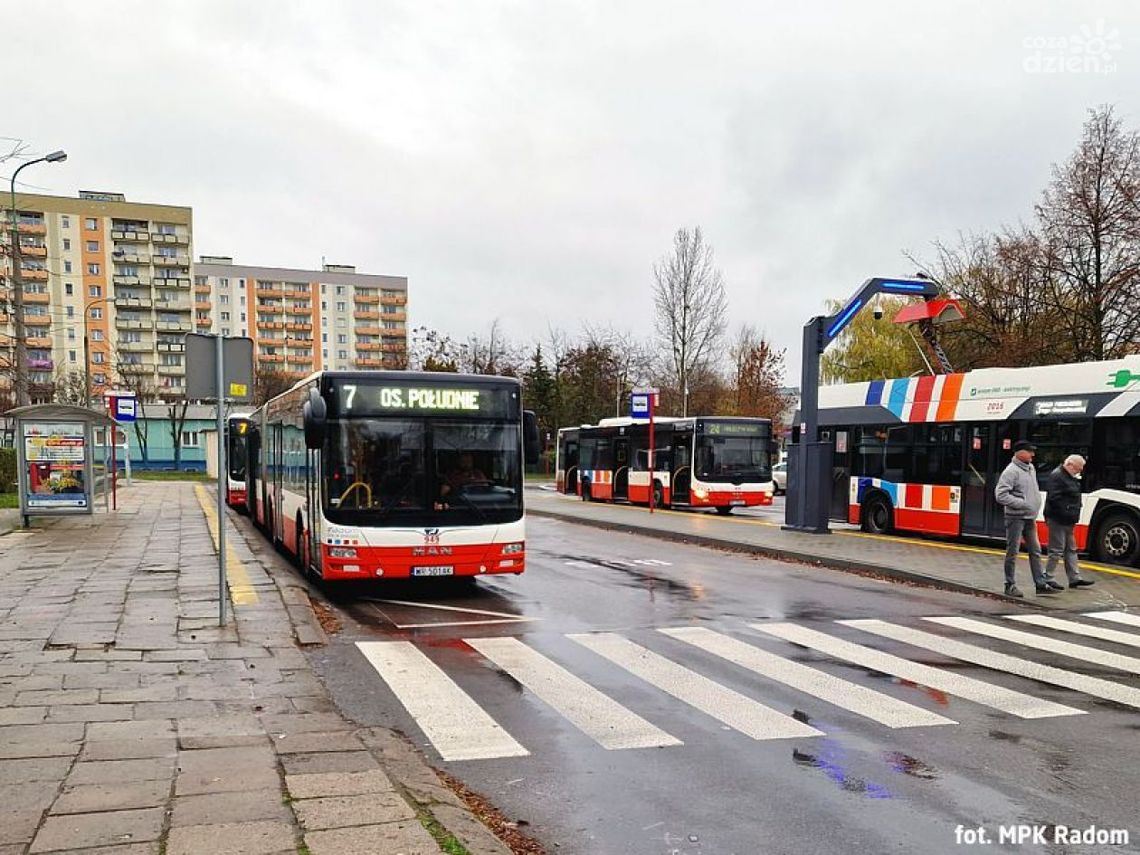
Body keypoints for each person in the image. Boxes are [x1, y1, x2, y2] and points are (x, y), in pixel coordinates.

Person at [995, 440, 1057, 597]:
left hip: (1029, 517)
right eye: (1029, 451)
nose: (1033, 454)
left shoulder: (1030, 468)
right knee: (1013, 551)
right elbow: (1001, 495)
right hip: (1015, 517)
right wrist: (1022, 504)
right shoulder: (1011, 471)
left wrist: (1032, 505)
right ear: (1019, 452)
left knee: (1035, 550)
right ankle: (1009, 584)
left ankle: (1040, 583)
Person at [1043, 454, 1095, 589]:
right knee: (1056, 549)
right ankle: (1048, 577)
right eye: (1078, 468)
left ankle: (1074, 578)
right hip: (1058, 519)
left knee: (1071, 549)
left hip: (1068, 519)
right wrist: (1067, 511)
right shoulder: (1057, 476)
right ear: (1070, 464)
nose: (1079, 471)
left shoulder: (1068, 476)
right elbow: (1054, 498)